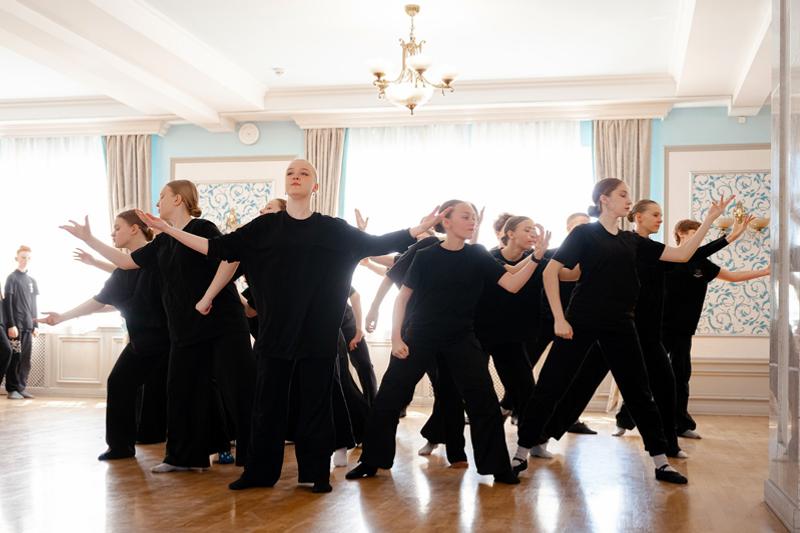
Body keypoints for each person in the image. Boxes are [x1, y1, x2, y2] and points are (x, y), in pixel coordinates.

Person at [136, 159, 445, 494]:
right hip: (274, 335)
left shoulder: (333, 229)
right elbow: (218, 248)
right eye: (290, 173)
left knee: (315, 407)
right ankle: (259, 473)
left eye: (304, 173)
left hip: (318, 336)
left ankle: (315, 474)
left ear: (315, 186)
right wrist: (167, 230)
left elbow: (375, 243)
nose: (296, 176)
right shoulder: (264, 227)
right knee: (267, 408)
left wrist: (417, 229)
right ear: (286, 183)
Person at [512, 178, 733, 485]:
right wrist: (559, 320)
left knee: (639, 391)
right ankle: (521, 453)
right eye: (623, 194)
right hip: (581, 320)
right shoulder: (584, 233)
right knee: (551, 384)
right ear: (604, 199)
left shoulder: (631, 240)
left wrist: (709, 219)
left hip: (620, 324)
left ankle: (660, 461)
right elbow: (552, 272)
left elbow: (682, 255)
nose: (629, 199)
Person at [60, 180, 255, 474]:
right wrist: (90, 239)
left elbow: (228, 258)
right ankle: (183, 458)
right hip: (185, 328)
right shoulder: (162, 242)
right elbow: (126, 263)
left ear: (178, 199)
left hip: (222, 323)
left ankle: (255, 460)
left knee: (237, 389)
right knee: (182, 391)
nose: (157, 202)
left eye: (162, 196)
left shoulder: (203, 228)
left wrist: (207, 298)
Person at [346, 200, 545, 485]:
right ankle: (371, 460)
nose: (472, 221)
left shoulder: (477, 255)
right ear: (447, 222)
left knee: (484, 401)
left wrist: (536, 258)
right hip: (419, 335)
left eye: (474, 217)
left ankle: (498, 467)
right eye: (466, 216)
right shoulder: (425, 255)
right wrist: (397, 337)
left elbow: (512, 284)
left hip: (461, 338)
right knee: (389, 397)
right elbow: (402, 298)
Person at [39, 210, 170, 460]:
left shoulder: (157, 255)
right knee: (124, 383)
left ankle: (133, 443)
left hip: (166, 339)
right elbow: (100, 301)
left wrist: (89, 240)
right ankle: (126, 444)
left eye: (117, 228)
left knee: (136, 385)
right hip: (144, 341)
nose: (113, 233)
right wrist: (62, 317)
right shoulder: (123, 271)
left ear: (135, 229)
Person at [663, 218, 770, 439]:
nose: (699, 237)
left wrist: (765, 271)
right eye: (695, 233)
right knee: (648, 373)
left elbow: (733, 277)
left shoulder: (702, 263)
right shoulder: (668, 258)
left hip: (684, 330)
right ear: (680, 233)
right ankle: (626, 420)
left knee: (681, 376)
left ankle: (681, 425)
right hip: (659, 327)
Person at [4, 246, 39, 399]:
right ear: (17, 258)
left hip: (28, 326)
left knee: (25, 359)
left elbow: (34, 304)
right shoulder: (12, 278)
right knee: (15, 357)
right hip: (15, 326)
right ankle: (12, 389)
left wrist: (35, 324)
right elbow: (7, 303)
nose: (26, 260)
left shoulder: (32, 281)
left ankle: (21, 387)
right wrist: (11, 324)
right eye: (23, 257)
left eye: (28, 258)